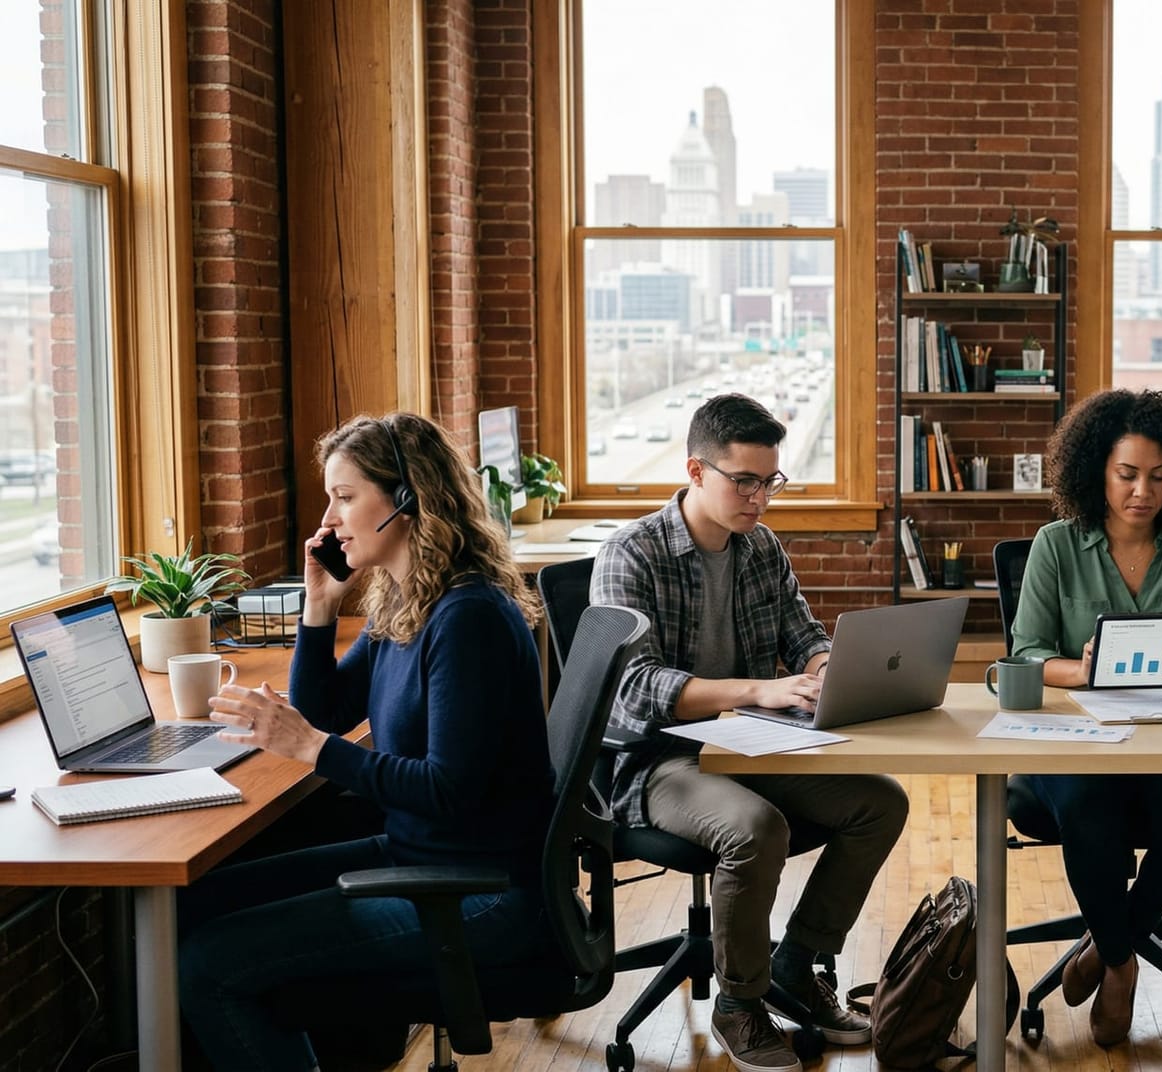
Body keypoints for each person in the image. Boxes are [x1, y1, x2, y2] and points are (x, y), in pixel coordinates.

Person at [178, 413, 554, 1071]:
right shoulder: (408, 598)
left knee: (211, 964)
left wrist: (311, 748)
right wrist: (319, 602)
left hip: (479, 890)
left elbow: (449, 789)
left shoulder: (468, 618)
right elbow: (326, 708)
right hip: (425, 853)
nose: (329, 518)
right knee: (197, 903)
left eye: (345, 497)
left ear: (407, 500)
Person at [591, 394, 908, 1072]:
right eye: (745, 481)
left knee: (880, 802)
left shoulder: (760, 548)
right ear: (696, 471)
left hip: (748, 741)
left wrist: (827, 670)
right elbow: (632, 688)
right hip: (656, 760)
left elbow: (803, 635)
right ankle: (739, 1002)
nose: (760, 498)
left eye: (771, 481)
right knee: (754, 828)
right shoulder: (631, 553)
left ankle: (795, 964)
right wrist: (758, 690)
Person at [1010, 388, 1162, 1048]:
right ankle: (1121, 964)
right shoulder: (1056, 545)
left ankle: (1111, 941)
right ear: (1097, 471)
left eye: (1158, 476)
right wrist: (1082, 671)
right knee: (1091, 808)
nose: (1142, 491)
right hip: (1077, 742)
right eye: (1126, 475)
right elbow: (1025, 655)